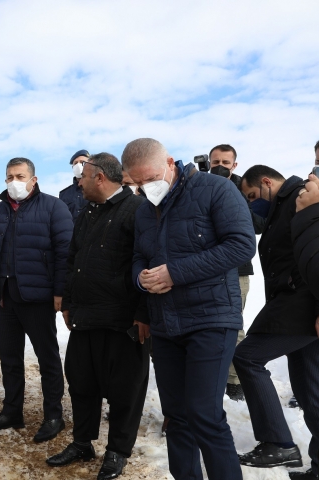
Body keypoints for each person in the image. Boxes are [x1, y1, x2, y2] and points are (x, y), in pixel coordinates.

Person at [123, 138, 255, 480]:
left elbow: (241, 245)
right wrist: (142, 278)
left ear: (169, 163)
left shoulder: (215, 190)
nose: (144, 189)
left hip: (211, 319)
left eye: (149, 179)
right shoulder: (143, 209)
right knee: (177, 416)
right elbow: (139, 255)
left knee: (204, 415)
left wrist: (175, 273)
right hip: (166, 324)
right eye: (136, 184)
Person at [46, 153, 148, 480]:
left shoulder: (137, 210)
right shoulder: (88, 212)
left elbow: (148, 261)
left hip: (124, 321)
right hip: (86, 317)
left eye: (84, 177)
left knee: (125, 390)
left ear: (100, 177)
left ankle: (117, 451)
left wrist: (143, 313)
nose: (79, 182)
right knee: (81, 380)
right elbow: (73, 257)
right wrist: (68, 302)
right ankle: (82, 442)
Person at [0, 157, 73, 443]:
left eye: (19, 176)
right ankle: (12, 411)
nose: (13, 182)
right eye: (9, 177)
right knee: (10, 358)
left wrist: (61, 291)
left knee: (47, 359)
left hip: (38, 296)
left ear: (33, 179)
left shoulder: (53, 207)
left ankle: (53, 415)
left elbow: (64, 252)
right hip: (6, 297)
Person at [233, 166, 319, 480]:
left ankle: (277, 442)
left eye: (253, 196)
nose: (253, 203)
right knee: (310, 390)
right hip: (296, 305)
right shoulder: (281, 206)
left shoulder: (301, 196)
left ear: (267, 182)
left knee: (246, 356)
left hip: (301, 304)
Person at [208, 143, 265, 401]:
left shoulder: (246, 189)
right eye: (215, 162)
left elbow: (259, 224)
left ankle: (235, 379)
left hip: (238, 268)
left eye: (225, 163)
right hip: (207, 268)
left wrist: (232, 191)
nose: (219, 167)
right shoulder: (201, 186)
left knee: (235, 323)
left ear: (235, 165)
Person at [59, 149, 91, 222]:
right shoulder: (64, 194)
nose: (78, 165)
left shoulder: (96, 189)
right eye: (75, 163)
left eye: (82, 162)